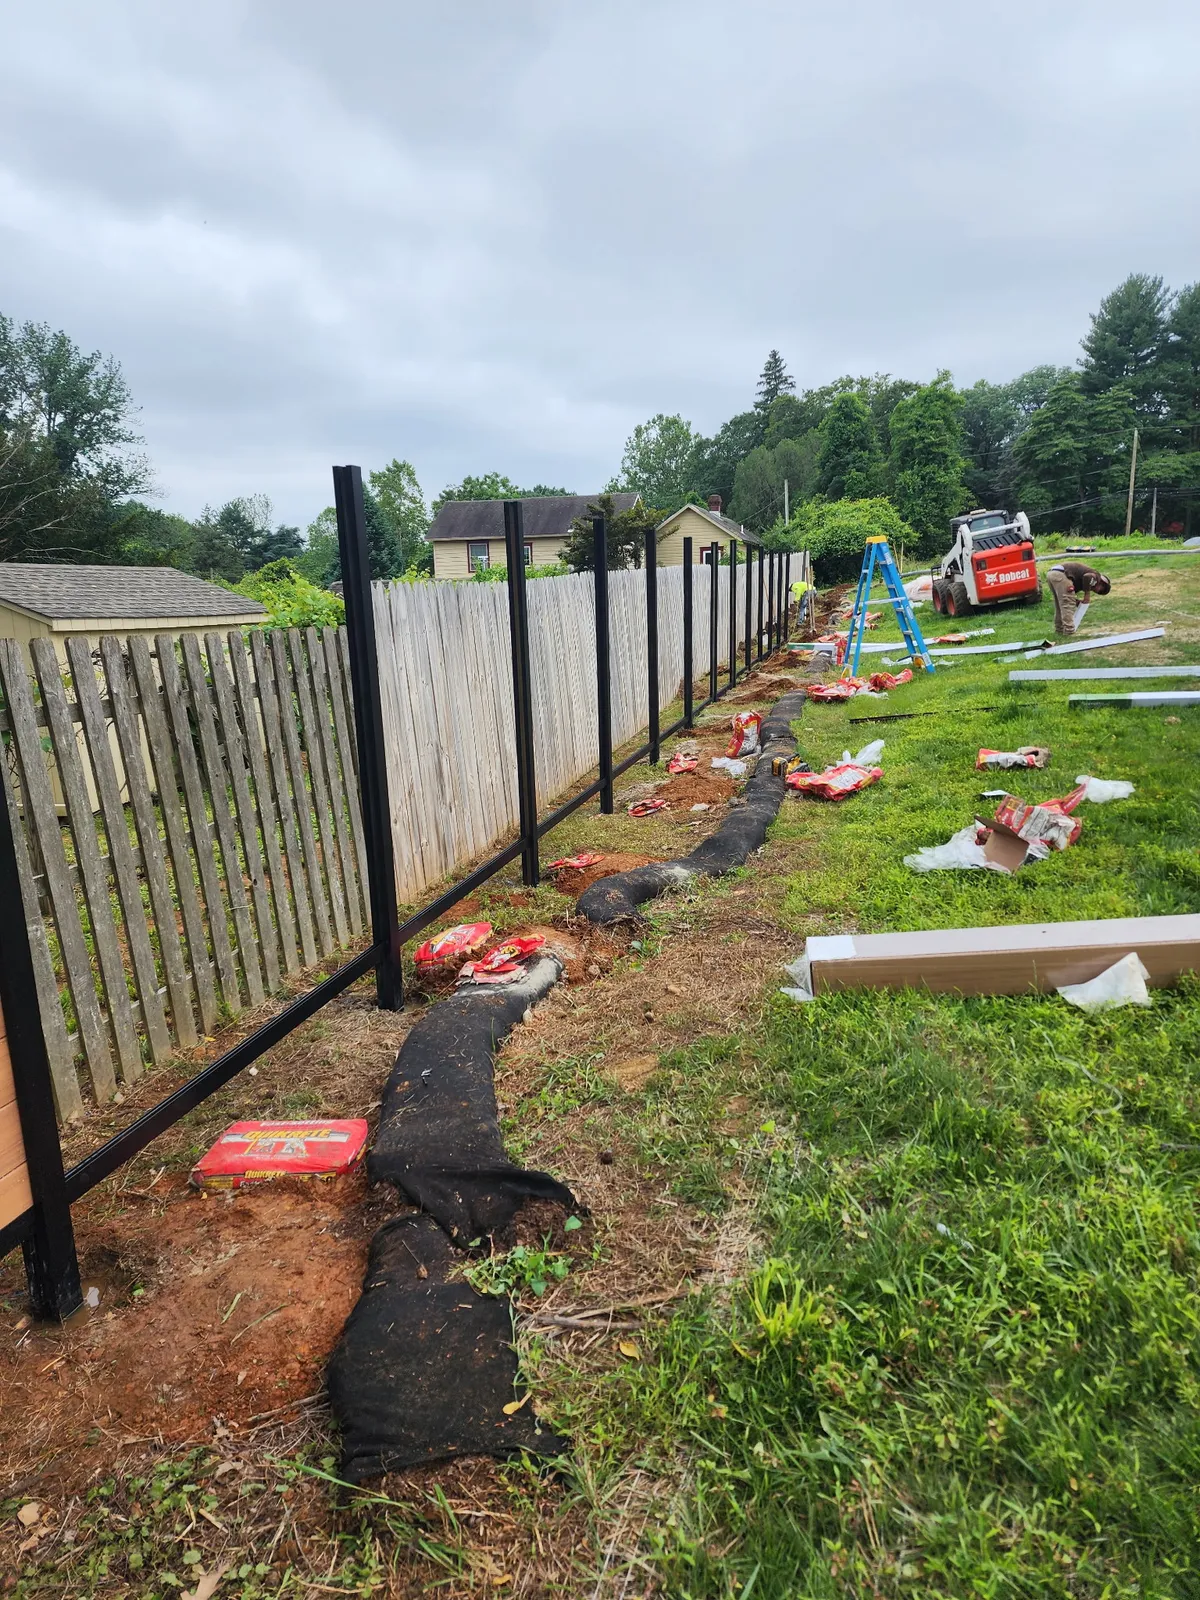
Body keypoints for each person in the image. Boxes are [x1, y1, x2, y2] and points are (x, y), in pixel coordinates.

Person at [1045, 561, 1111, 635]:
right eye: (1100, 590)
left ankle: (1059, 629)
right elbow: (1087, 577)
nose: (1097, 591)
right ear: (1102, 584)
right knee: (1067, 605)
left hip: (1052, 574)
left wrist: (1076, 602)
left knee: (1059, 604)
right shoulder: (1096, 577)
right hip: (1061, 575)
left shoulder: (1081, 582)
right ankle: (1069, 630)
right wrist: (1087, 595)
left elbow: (1067, 596)